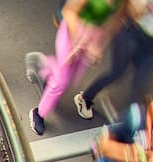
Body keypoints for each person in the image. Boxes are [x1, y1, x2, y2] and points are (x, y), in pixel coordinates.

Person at [23, 0, 122, 136]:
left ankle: (43, 65)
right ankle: (39, 113)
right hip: (74, 30)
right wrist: (77, 44)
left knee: (72, 77)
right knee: (61, 81)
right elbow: (69, 11)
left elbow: (114, 21)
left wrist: (98, 45)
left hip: (92, 36)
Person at [74, 0, 153, 119]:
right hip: (132, 32)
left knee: (140, 81)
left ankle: (129, 120)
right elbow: (132, 11)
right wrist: (151, 7)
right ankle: (85, 97)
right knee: (116, 72)